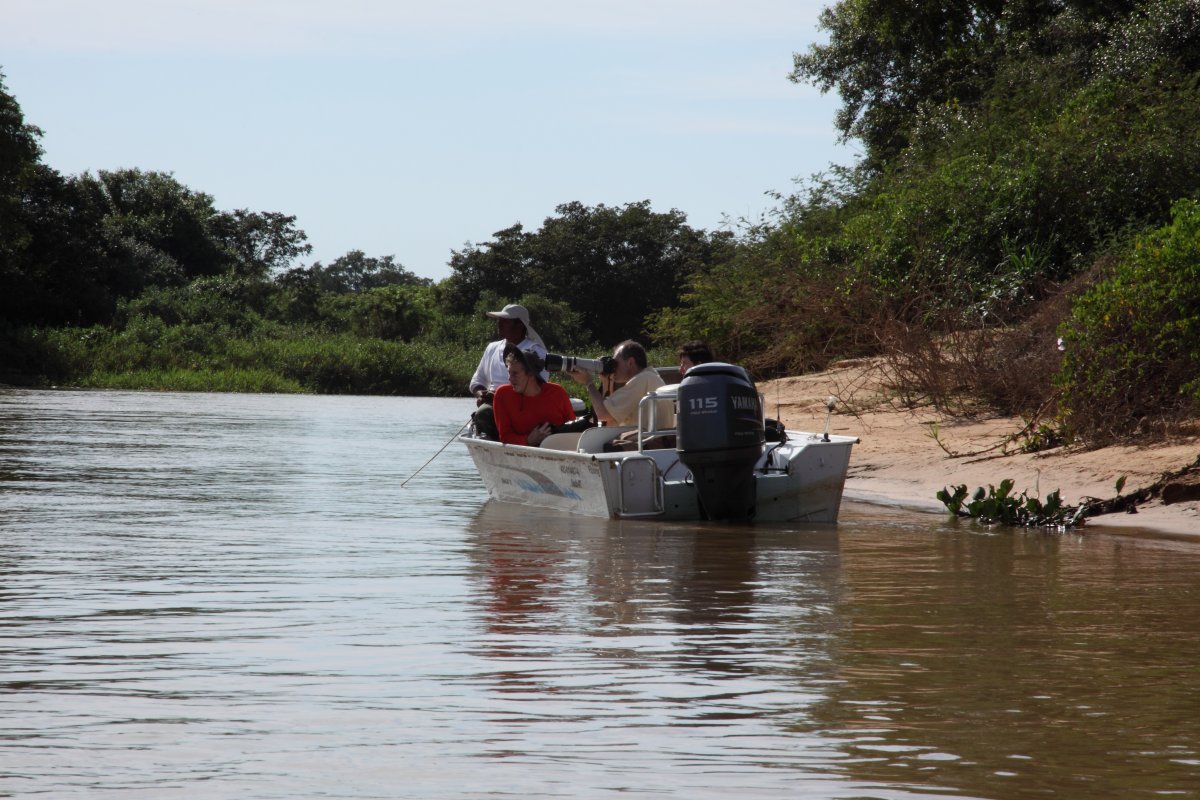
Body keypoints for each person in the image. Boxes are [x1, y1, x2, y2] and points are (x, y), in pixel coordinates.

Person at [469, 303, 548, 439]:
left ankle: (512, 439)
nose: (499, 324)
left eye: (505, 321)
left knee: (484, 413)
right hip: (492, 406)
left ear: (520, 325)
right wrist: (481, 394)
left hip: (524, 408)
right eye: (500, 320)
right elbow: (476, 381)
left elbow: (538, 388)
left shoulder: (536, 352)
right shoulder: (492, 348)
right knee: (484, 412)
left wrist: (500, 398)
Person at [569, 340, 675, 429]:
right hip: (652, 443)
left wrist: (588, 383)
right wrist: (606, 382)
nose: (614, 368)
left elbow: (603, 415)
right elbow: (610, 420)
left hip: (644, 444)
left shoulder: (642, 379)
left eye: (616, 363)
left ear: (630, 362)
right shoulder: (651, 377)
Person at [492, 345, 576, 446]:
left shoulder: (557, 393)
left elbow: (574, 430)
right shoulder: (502, 395)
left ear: (531, 374)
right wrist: (528, 440)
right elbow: (505, 437)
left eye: (515, 373)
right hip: (522, 453)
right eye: (509, 373)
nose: (509, 378)